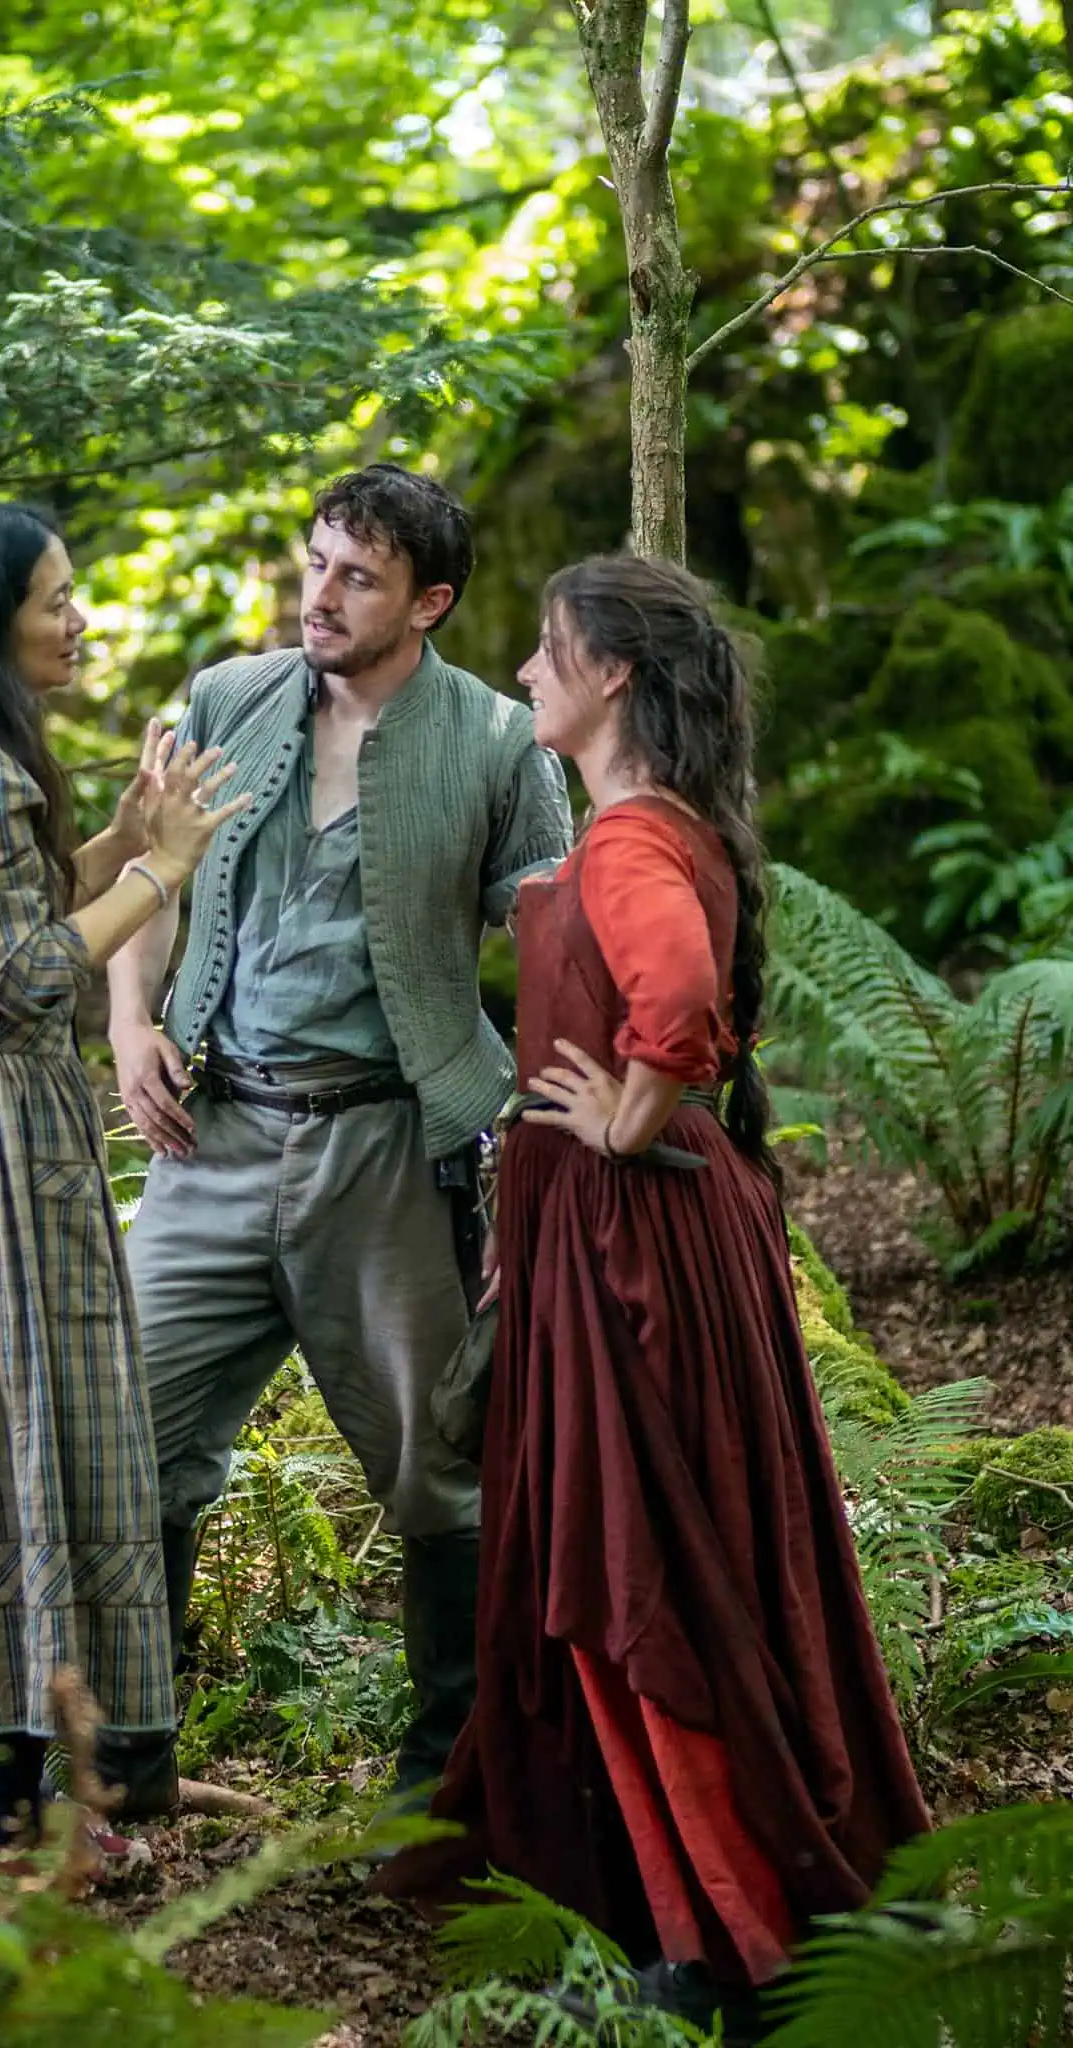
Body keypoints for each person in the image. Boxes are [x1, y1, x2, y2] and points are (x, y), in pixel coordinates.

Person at [380, 556, 931, 2039]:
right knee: (647, 1563)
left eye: (550, 648)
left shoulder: (628, 840)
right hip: (636, 1234)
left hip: (635, 1242)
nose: (525, 667)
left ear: (615, 674)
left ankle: (733, 1942)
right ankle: (689, 1918)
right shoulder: (661, 825)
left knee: (637, 1571)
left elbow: (677, 1004)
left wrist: (624, 1117)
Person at [103, 464, 573, 1815]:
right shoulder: (223, 702)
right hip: (210, 1138)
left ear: (428, 601)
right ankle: (130, 1763)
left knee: (439, 1467)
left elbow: (557, 951)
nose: (321, 594)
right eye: (316, 563)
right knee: (129, 1437)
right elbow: (144, 874)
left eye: (358, 576)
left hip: (387, 1154)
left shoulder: (492, 741)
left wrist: (543, 1140)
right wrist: (133, 1024)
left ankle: (446, 1791)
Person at [0, 500, 251, 1859]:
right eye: (56, 599)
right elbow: (26, 975)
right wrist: (168, 867)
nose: (78, 619)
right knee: (30, 1438)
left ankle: (4, 1804)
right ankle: (3, 1818)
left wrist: (127, 840)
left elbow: (3, 920)